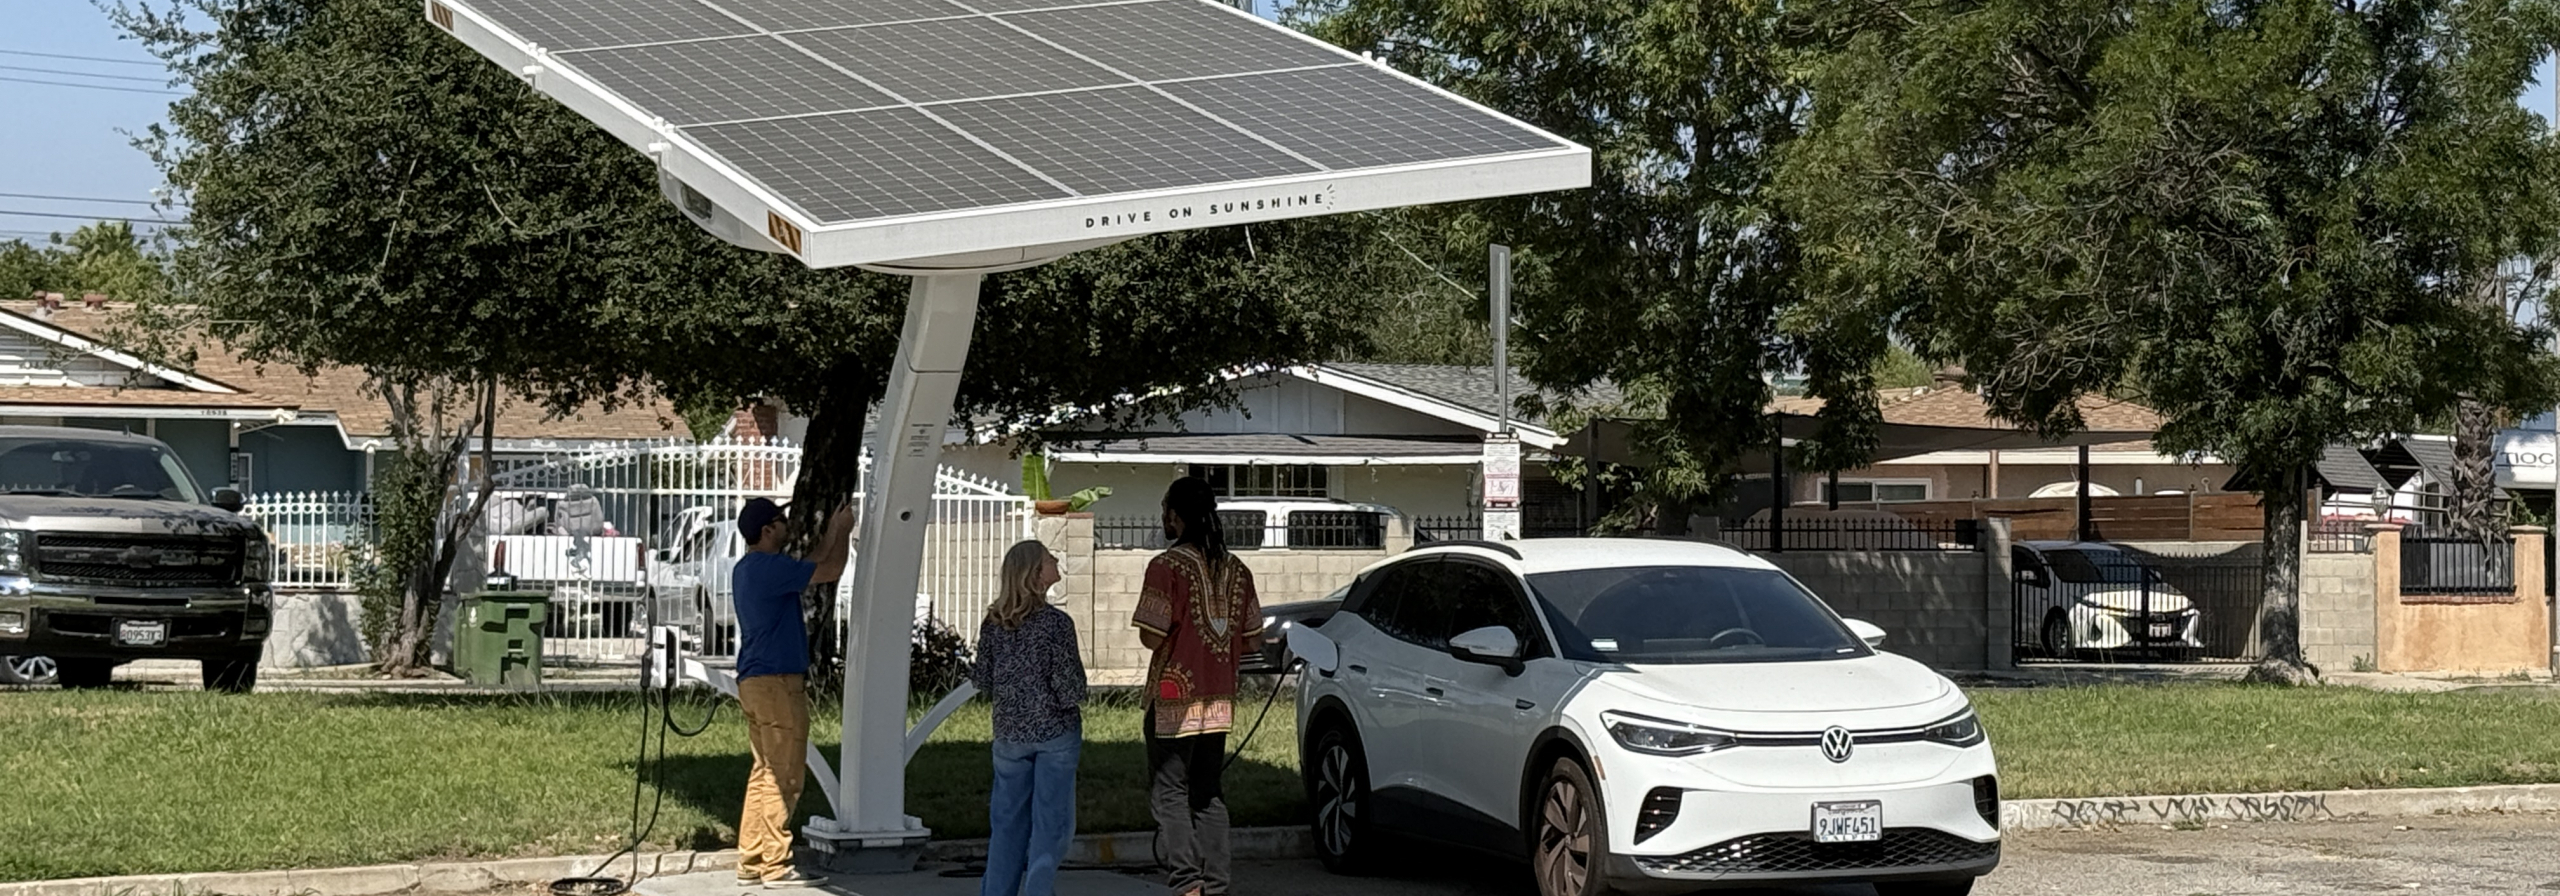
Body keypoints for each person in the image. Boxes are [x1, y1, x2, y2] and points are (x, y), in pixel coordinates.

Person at [1131, 477, 1260, 896]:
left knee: (1169, 792)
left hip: (1172, 695)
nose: (1163, 518)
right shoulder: (1237, 569)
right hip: (1219, 697)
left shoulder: (1165, 566)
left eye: (1165, 509)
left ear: (1176, 515)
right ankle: (1217, 884)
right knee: (1207, 793)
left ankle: (1187, 882)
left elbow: (1151, 635)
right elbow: (1253, 637)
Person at [730, 496, 855, 889]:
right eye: (781, 520)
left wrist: (832, 531)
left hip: (754, 681)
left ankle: (751, 859)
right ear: (767, 531)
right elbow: (830, 569)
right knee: (785, 776)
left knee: (764, 771)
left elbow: (812, 563)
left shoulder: (751, 568)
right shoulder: (770, 569)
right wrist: (845, 531)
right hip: (778, 682)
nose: (788, 525)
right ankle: (776, 865)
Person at [969, 540, 1087, 896]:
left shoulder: (993, 622)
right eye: (1050, 558)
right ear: (1037, 573)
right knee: (1051, 825)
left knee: (1006, 824)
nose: (1056, 561)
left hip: (1008, 734)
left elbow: (982, 679)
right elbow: (1069, 687)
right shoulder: (1056, 624)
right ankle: (1037, 889)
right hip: (1055, 734)